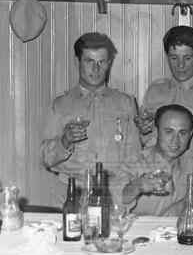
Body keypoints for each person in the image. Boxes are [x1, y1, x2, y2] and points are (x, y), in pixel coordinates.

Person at [41, 32, 140, 204]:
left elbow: (135, 155)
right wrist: (64, 141)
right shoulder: (60, 105)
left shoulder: (125, 103)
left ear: (109, 63)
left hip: (112, 195)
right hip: (70, 194)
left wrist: (118, 192)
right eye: (89, 61)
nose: (96, 69)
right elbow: (46, 159)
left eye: (101, 62)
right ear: (77, 62)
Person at [136, 25, 193, 167]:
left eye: (187, 58)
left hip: (192, 173)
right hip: (153, 172)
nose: (180, 65)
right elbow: (141, 143)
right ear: (167, 57)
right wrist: (143, 131)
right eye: (174, 58)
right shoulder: (154, 91)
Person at [119, 104, 193, 216]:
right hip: (142, 227)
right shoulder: (135, 162)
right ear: (156, 132)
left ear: (190, 136)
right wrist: (136, 187)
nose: (175, 141)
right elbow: (115, 199)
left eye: (182, 133)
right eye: (169, 132)